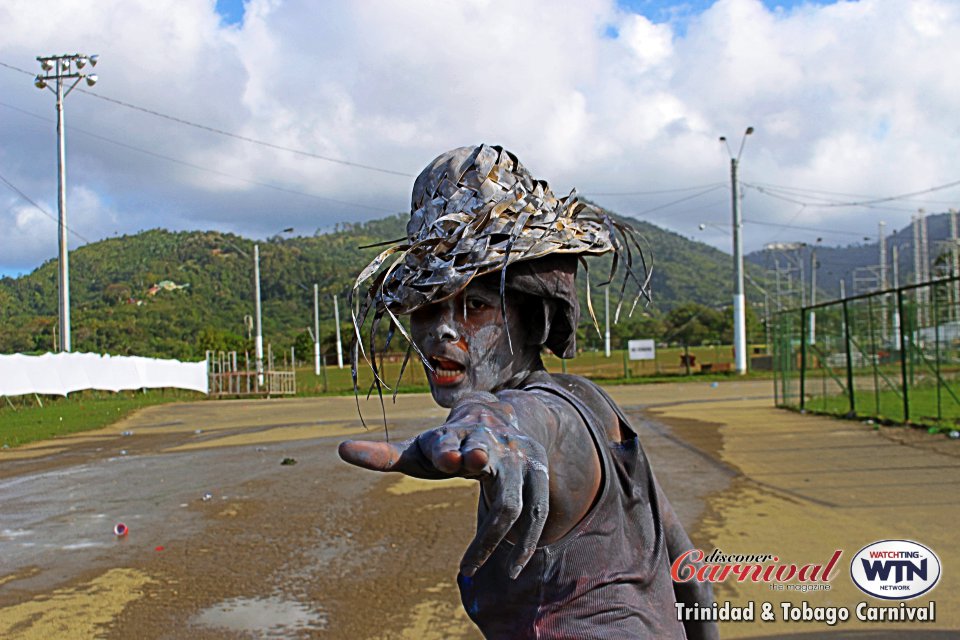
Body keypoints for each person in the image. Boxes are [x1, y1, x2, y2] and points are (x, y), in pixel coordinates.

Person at [339, 144, 717, 639]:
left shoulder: (545, 412)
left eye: (475, 305)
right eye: (428, 307)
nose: (442, 332)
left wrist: (486, 420)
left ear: (534, 316)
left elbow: (524, 419)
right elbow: (690, 573)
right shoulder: (589, 399)